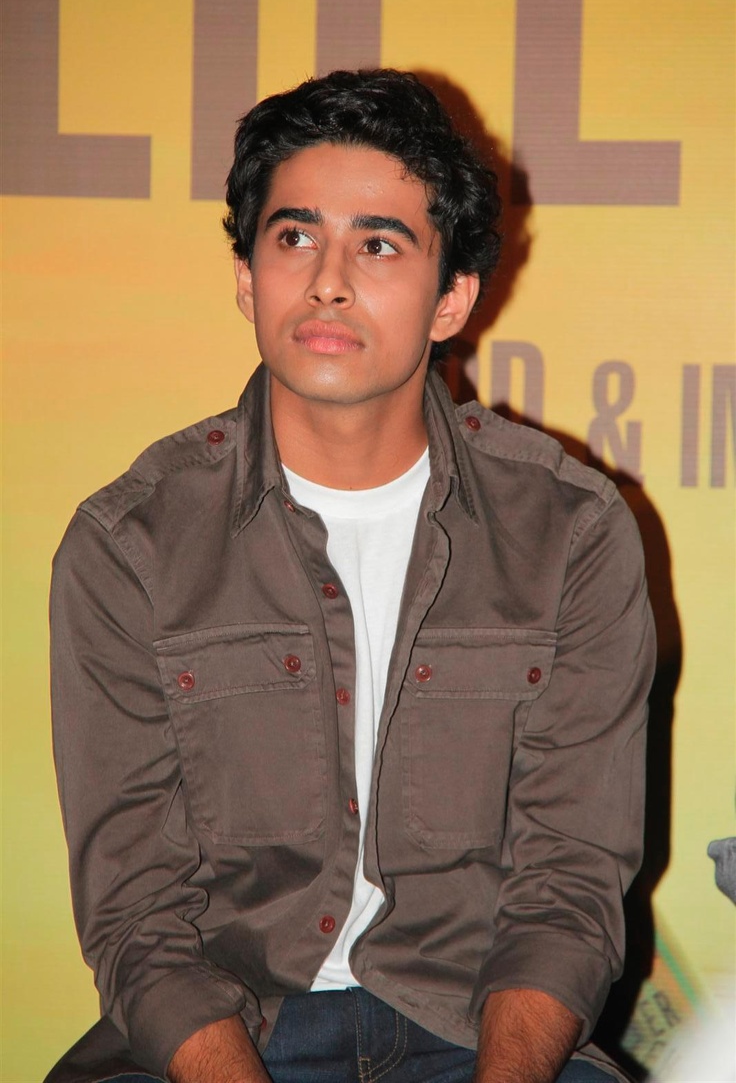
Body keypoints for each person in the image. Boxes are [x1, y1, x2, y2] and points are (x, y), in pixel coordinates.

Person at [47, 69, 656, 1083]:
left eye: (377, 243)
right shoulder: (130, 542)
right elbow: (136, 909)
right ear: (246, 277)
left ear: (452, 295)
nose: (326, 279)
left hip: (478, 1035)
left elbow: (566, 885)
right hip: (223, 1040)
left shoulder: (570, 532)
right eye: (293, 238)